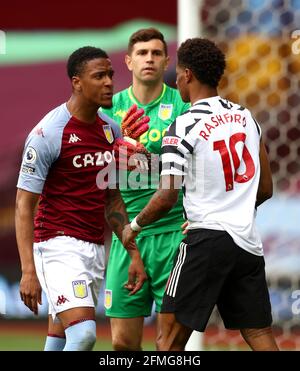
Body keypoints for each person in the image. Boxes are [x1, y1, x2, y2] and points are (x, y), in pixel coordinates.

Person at [122, 37, 279, 351]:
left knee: (168, 341)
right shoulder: (247, 118)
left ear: (187, 75)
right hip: (247, 244)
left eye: (178, 73)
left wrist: (133, 227)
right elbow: (265, 188)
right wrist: (231, 210)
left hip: (205, 243)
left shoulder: (183, 125)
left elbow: (166, 195)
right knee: (259, 335)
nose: (177, 80)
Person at [15, 46, 147, 351]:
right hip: (57, 245)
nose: (109, 82)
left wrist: (134, 254)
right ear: (77, 82)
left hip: (93, 248)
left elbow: (112, 198)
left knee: (58, 338)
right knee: (84, 335)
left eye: (110, 75)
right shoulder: (48, 133)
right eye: (98, 76)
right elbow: (24, 205)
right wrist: (28, 271)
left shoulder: (110, 131)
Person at [101, 28, 190, 350]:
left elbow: (195, 166)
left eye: (156, 53)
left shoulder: (183, 107)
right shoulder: (109, 110)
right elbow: (96, 171)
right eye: (141, 53)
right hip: (127, 236)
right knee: (123, 344)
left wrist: (142, 156)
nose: (149, 59)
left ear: (167, 59)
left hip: (173, 235)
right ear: (128, 61)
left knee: (170, 346)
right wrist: (116, 147)